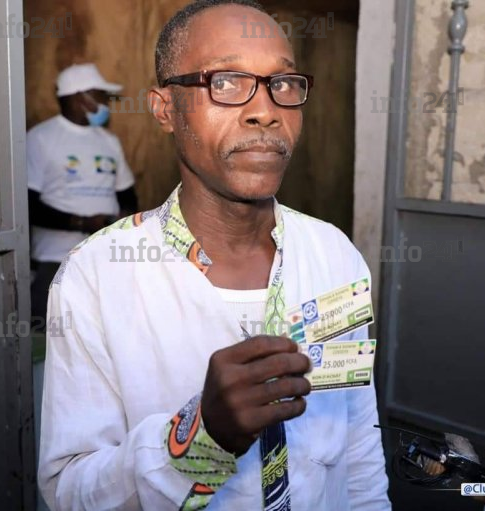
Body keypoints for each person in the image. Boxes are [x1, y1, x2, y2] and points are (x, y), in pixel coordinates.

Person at [38, 2, 391, 510]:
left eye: (282, 83)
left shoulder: (335, 254)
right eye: (225, 82)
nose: (265, 110)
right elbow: (70, 491)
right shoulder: (95, 276)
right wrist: (199, 437)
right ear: (165, 109)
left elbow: (358, 446)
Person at [27, 63, 137, 333]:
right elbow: (28, 206)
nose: (105, 103)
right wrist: (81, 223)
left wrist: (123, 216)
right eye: (100, 96)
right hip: (56, 262)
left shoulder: (108, 141)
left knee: (108, 338)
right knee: (51, 340)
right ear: (79, 97)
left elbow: (127, 195)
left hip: (106, 261)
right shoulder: (40, 138)